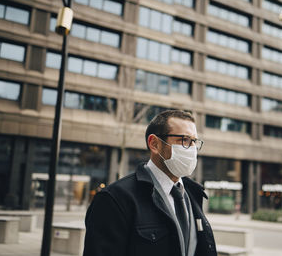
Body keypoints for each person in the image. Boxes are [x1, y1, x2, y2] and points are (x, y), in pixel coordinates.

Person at [83, 110, 217, 256]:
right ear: (154, 144)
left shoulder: (193, 194)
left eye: (194, 142)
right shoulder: (115, 199)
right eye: (184, 140)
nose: (192, 149)